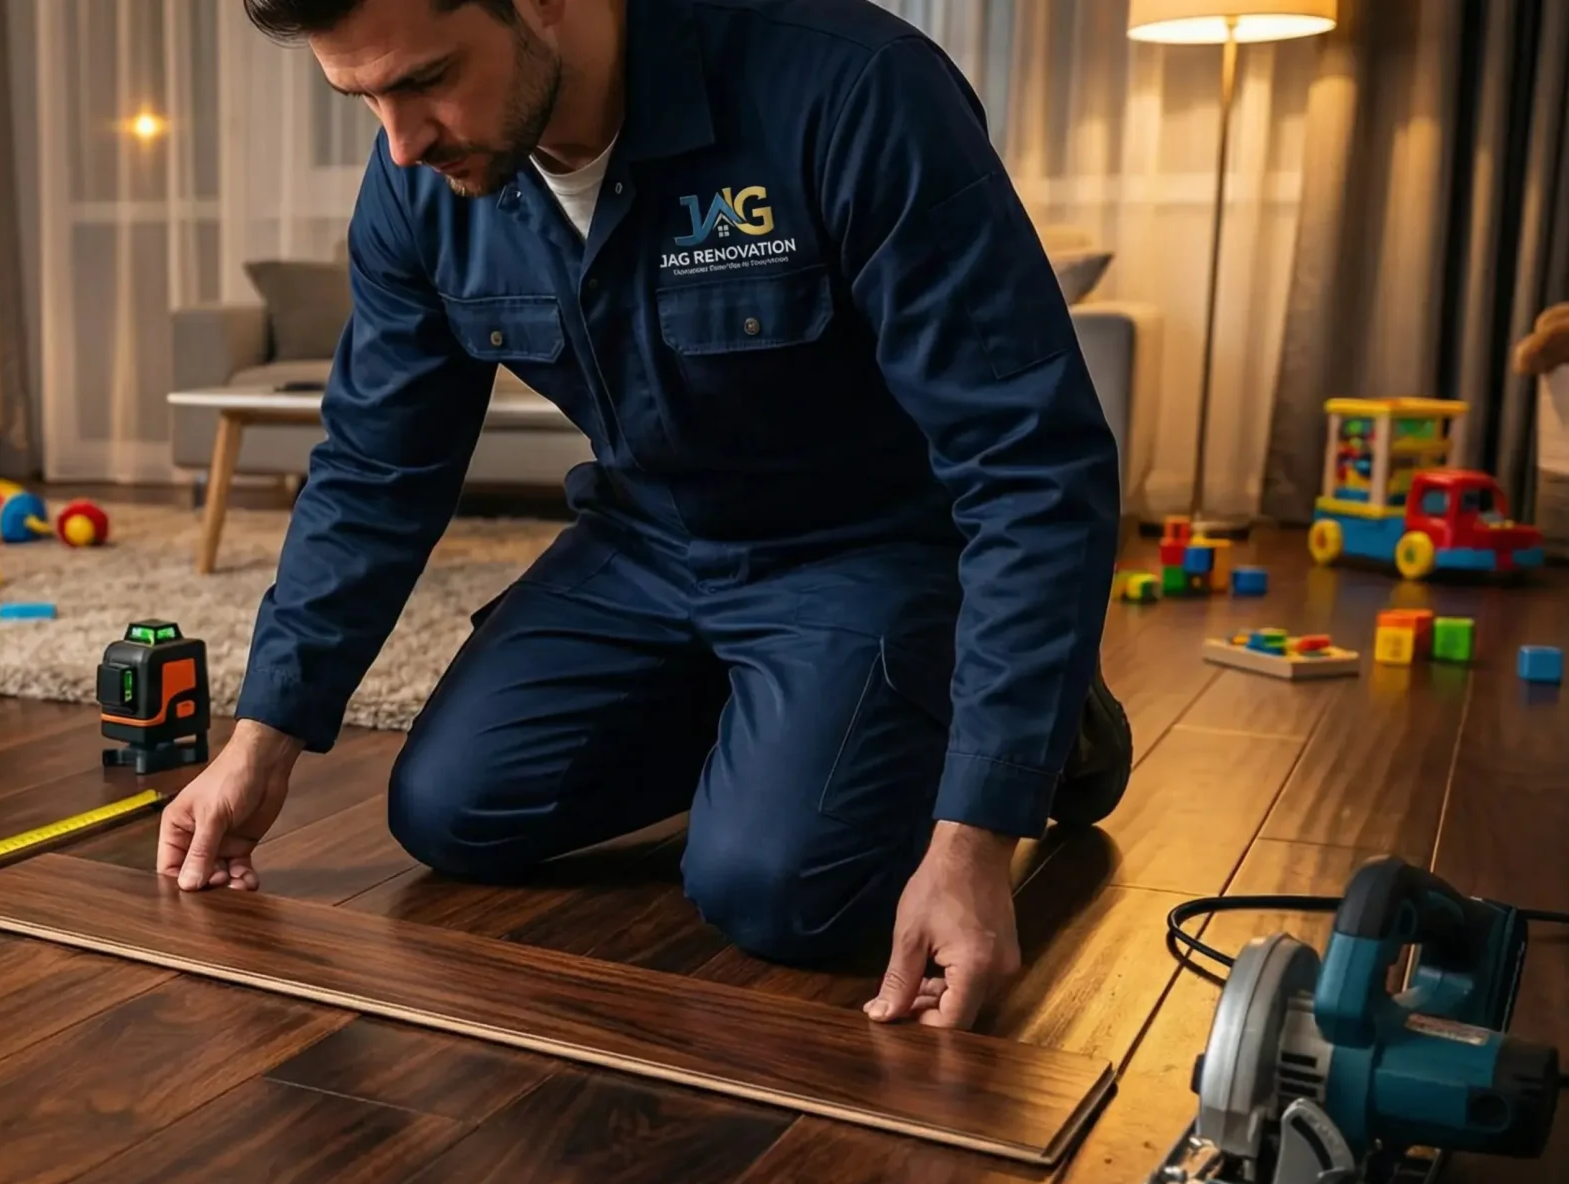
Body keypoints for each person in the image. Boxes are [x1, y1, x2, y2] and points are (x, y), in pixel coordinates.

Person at [156, 0, 1130, 1031]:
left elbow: (1030, 462)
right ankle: (790, 718)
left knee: (776, 888)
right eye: (363, 99)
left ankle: (1057, 728)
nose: (399, 143)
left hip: (871, 546)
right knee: (448, 810)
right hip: (644, 547)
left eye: (424, 79)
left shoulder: (855, 89)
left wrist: (980, 828)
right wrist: (261, 739)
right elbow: (373, 462)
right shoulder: (421, 183)